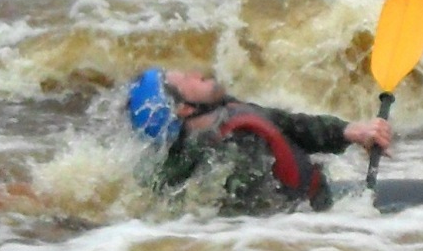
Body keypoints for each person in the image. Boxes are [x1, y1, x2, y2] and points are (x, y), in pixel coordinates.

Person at [126, 67, 391, 215]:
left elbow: (292, 125)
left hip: (322, 203)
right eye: (186, 79)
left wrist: (350, 131)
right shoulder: (230, 150)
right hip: (315, 219)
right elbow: (255, 221)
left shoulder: (228, 111)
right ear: (183, 109)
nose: (196, 72)